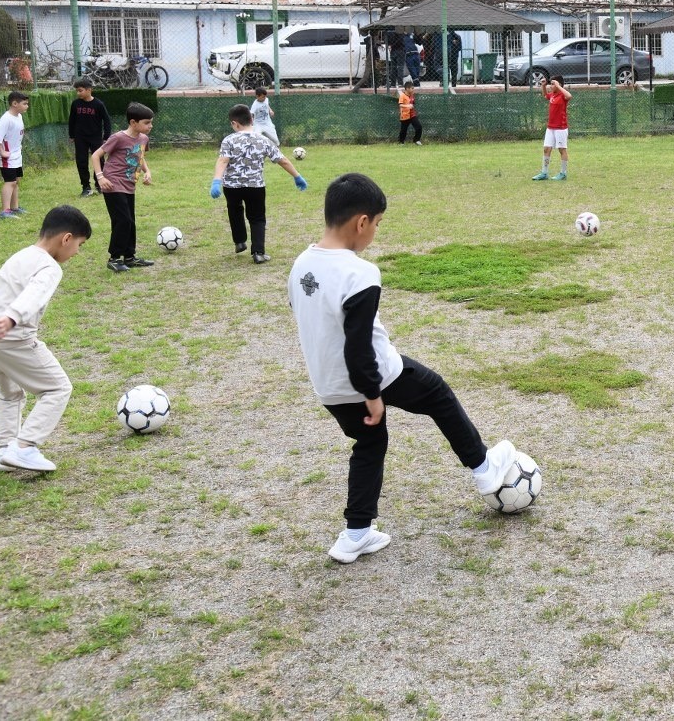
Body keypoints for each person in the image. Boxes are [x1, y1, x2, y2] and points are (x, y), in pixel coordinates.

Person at [288, 173, 526, 563]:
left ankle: (356, 534)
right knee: (436, 394)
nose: (375, 233)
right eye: (378, 225)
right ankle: (484, 469)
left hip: (328, 386)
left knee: (369, 444)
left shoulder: (301, 264)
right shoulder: (358, 273)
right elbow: (359, 345)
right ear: (362, 222)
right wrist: (372, 395)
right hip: (377, 376)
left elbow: (305, 316)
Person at [0, 205, 91, 473]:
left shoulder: (23, 255)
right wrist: (13, 317)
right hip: (10, 336)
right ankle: (25, 447)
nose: (77, 253)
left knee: (9, 391)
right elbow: (33, 294)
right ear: (67, 238)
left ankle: (4, 452)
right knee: (57, 388)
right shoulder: (50, 267)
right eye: (79, 245)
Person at [211, 104, 310, 264]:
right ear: (252, 119)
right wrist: (297, 176)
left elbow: (223, 160)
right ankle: (258, 252)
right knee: (257, 218)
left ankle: (240, 241)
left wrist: (217, 180)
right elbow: (282, 160)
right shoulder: (263, 140)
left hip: (232, 187)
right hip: (255, 186)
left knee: (234, 212)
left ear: (234, 124)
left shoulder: (228, 140)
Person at [88, 102, 155, 273]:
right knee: (122, 220)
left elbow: (140, 154)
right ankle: (114, 258)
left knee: (130, 221)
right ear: (133, 122)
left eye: (151, 122)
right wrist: (100, 177)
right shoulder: (118, 137)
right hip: (112, 183)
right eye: (146, 122)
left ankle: (130, 257)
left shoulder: (143, 139)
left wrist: (147, 172)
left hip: (129, 185)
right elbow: (96, 156)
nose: (150, 126)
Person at [67, 78, 111, 198]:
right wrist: (72, 135)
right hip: (80, 137)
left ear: (89, 90)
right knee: (81, 161)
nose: (78, 93)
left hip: (96, 137)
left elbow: (107, 121)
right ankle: (86, 187)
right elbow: (72, 120)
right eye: (77, 91)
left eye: (80, 90)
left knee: (100, 160)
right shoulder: (75, 104)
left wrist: (106, 136)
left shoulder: (98, 104)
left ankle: (99, 184)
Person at [0, 91, 29, 220]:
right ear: (14, 103)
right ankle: (5, 211)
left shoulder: (19, 116)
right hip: (8, 158)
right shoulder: (6, 119)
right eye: (24, 103)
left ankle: (14, 207)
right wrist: (2, 152)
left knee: (16, 181)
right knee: (9, 182)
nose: (27, 106)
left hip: (16, 154)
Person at [532, 77, 571, 181]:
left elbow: (569, 96)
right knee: (546, 149)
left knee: (561, 149)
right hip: (550, 127)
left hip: (560, 128)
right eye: (551, 84)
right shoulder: (552, 95)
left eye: (553, 84)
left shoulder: (563, 95)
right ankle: (544, 173)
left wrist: (558, 86)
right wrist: (543, 86)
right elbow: (545, 95)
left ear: (559, 85)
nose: (551, 86)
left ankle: (563, 173)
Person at [398, 81, 423, 146]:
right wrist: (407, 106)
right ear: (407, 89)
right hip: (405, 115)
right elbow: (400, 105)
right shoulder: (402, 96)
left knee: (419, 127)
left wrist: (411, 105)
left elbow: (412, 103)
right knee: (403, 130)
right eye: (412, 88)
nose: (413, 89)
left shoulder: (412, 95)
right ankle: (401, 142)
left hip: (412, 115)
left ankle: (416, 140)